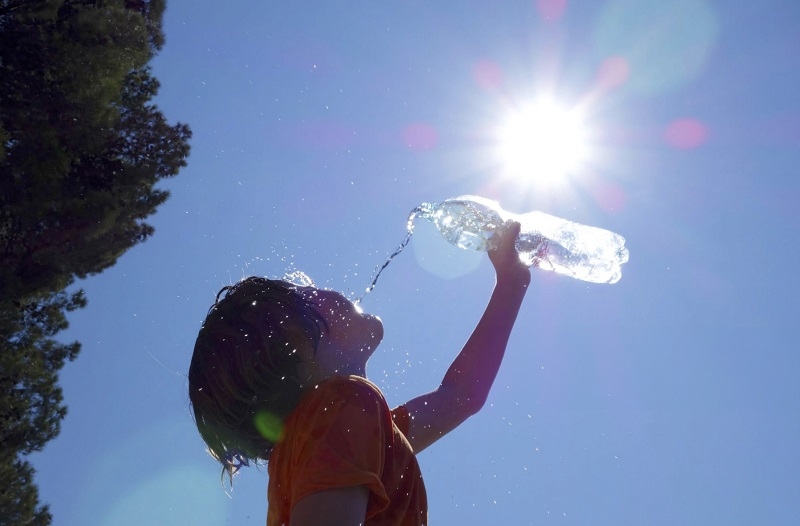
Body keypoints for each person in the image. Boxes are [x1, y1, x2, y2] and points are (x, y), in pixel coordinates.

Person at [188, 222, 530, 525]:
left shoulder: (343, 430)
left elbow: (460, 396)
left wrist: (511, 284)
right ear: (296, 345)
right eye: (306, 295)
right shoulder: (341, 408)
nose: (322, 289)